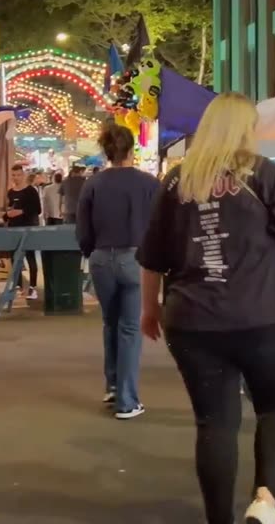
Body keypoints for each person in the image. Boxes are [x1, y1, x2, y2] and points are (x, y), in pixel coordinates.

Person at [137, 92, 275, 524]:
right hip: (265, 317)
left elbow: (152, 259)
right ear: (246, 128)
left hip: (193, 321)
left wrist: (150, 311)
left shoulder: (177, 182)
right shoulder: (265, 174)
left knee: (215, 423)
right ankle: (264, 502)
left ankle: (219, 519)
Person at [77, 123, 160, 420]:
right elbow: (160, 226)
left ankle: (112, 385)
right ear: (131, 148)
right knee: (129, 328)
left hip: (101, 258)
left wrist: (90, 252)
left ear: (106, 150)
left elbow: (83, 229)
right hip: (135, 258)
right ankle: (127, 400)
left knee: (110, 324)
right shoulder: (149, 184)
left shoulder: (93, 184)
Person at [4, 165, 42, 299]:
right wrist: (7, 215)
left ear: (23, 175)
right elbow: (8, 209)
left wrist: (20, 212)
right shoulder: (10, 192)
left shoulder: (31, 191)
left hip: (28, 228)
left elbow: (37, 209)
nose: (16, 178)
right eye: (13, 175)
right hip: (13, 229)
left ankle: (32, 287)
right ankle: (18, 285)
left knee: (30, 257)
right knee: (15, 259)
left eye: (18, 175)